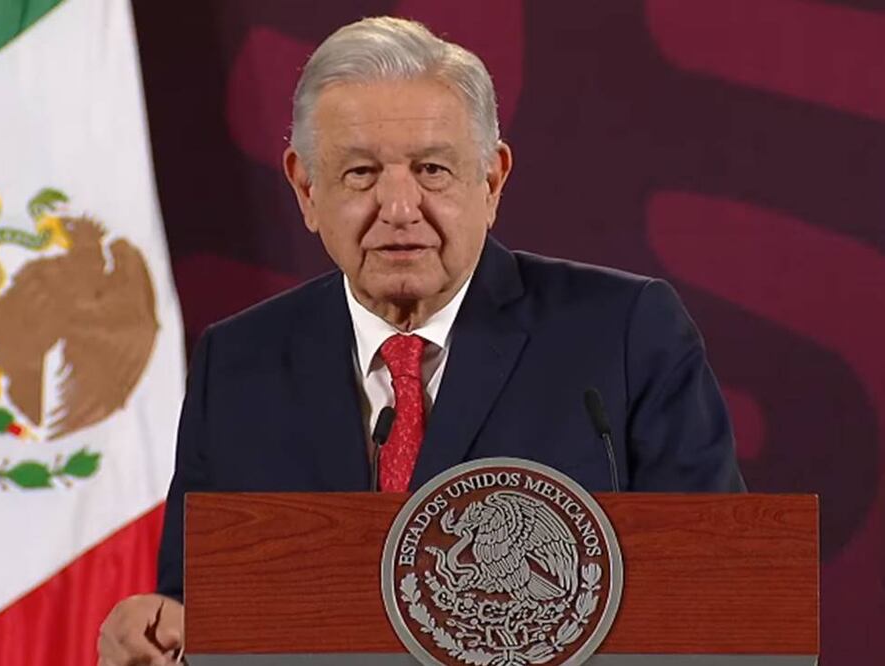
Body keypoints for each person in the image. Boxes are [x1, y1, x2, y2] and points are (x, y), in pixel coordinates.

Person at [97, 15, 744, 666]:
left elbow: (720, 588)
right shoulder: (239, 364)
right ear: (305, 188)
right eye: (360, 174)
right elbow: (199, 608)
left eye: (432, 169)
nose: (400, 207)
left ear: (491, 181)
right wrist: (159, 634)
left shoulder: (623, 335)